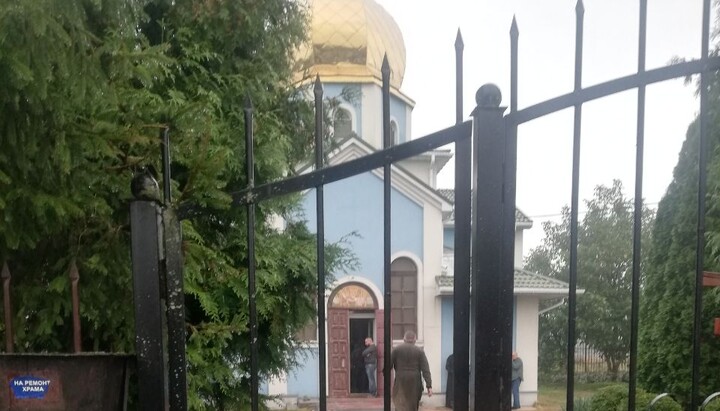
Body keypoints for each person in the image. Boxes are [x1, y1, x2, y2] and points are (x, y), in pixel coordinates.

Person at [391, 330, 432, 411]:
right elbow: (425, 369)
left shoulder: (396, 350)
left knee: (400, 405)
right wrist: (429, 385)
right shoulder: (420, 351)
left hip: (400, 380)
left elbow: (388, 366)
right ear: (415, 339)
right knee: (413, 406)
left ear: (404, 339)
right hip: (415, 381)